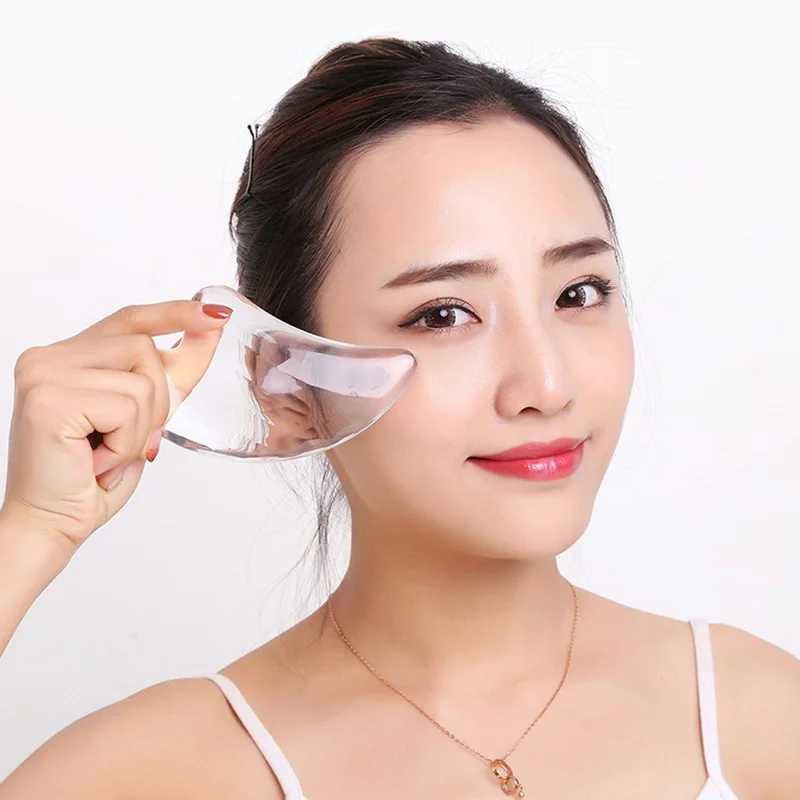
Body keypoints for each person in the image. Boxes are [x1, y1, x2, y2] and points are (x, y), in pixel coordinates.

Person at [1, 36, 797, 800]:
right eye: (443, 314)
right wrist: (32, 532)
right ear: (287, 380)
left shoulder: (754, 716)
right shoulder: (156, 774)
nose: (547, 385)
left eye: (578, 293)